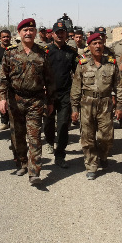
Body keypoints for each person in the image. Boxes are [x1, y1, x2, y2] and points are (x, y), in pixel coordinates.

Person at [0, 18, 56, 185]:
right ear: (19, 33)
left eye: (31, 30)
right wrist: (2, 98)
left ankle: (34, 171)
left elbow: (50, 80)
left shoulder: (43, 53)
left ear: (36, 33)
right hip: (15, 100)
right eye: (25, 30)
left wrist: (50, 101)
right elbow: (2, 78)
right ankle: (22, 162)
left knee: (35, 136)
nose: (28, 33)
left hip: (36, 100)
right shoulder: (10, 53)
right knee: (17, 135)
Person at [70, 33, 122, 179]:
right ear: (89, 46)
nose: (98, 46)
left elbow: (119, 86)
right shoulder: (82, 64)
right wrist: (74, 108)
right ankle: (91, 165)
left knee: (106, 136)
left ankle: (103, 155)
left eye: (100, 43)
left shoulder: (111, 63)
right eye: (94, 43)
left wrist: (120, 106)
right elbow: (76, 87)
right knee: (87, 136)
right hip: (87, 103)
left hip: (105, 103)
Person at [43, 20, 79, 168]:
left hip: (65, 93)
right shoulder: (45, 51)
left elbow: (78, 72)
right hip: (49, 94)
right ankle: (50, 141)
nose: (59, 35)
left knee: (63, 124)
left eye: (62, 33)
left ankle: (60, 155)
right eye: (57, 33)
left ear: (66, 35)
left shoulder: (71, 52)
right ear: (52, 34)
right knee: (48, 124)